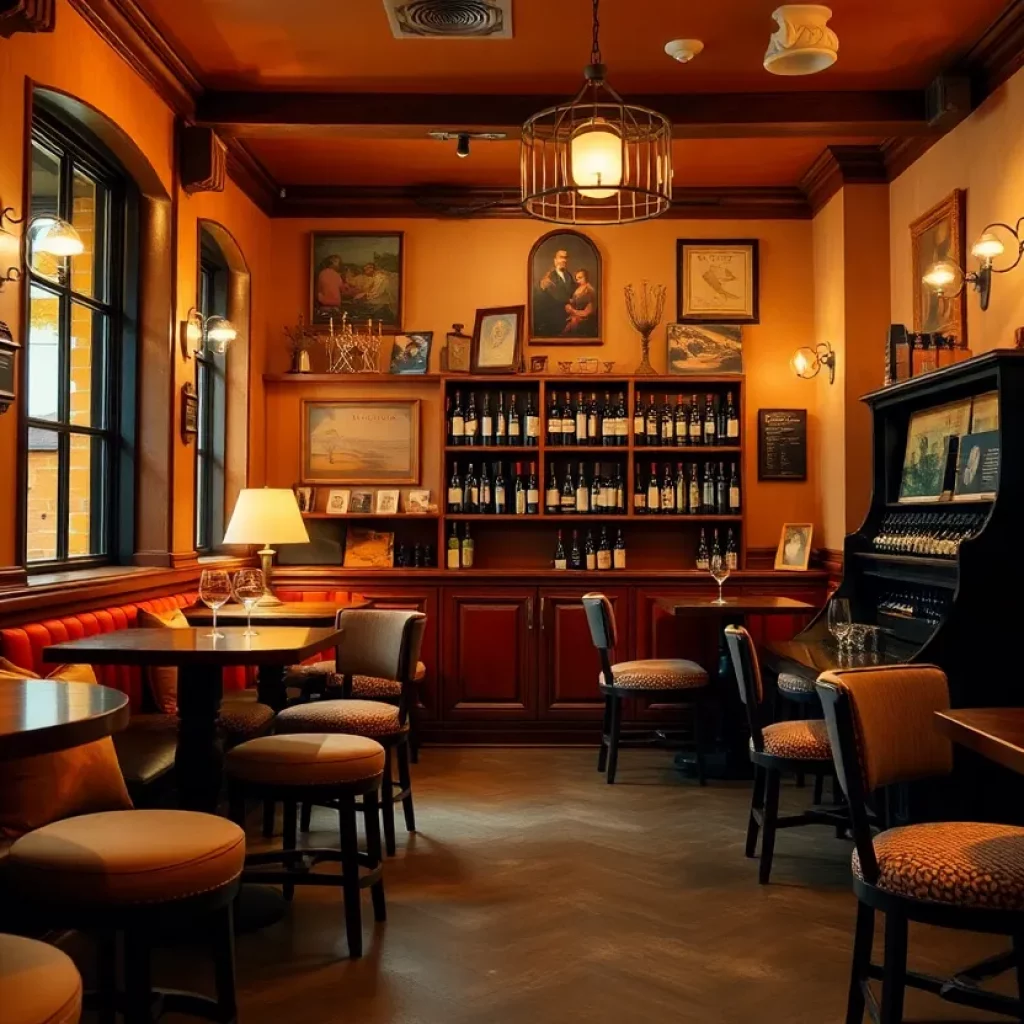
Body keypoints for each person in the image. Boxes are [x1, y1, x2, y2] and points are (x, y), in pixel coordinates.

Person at [535, 249, 575, 336]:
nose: (564, 260)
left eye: (565, 258)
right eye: (561, 257)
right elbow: (544, 294)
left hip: (568, 316)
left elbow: (572, 293)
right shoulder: (549, 275)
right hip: (554, 317)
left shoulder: (569, 276)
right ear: (555, 260)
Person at [563, 268, 596, 336]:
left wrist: (572, 310)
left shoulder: (590, 290)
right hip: (575, 316)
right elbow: (574, 302)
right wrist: (569, 306)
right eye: (577, 279)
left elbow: (588, 312)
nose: (578, 281)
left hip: (585, 319)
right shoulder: (578, 289)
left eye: (580, 278)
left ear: (586, 277)